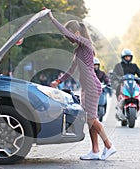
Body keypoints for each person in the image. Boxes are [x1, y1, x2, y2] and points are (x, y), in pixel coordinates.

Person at [48, 11, 116, 160]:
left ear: (77, 33)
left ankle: (109, 146)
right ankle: (95, 151)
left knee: (91, 118)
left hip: (92, 85)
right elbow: (71, 69)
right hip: (86, 87)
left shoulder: (86, 43)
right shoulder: (78, 50)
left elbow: (67, 32)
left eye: (69, 35)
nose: (68, 38)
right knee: (90, 119)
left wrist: (52, 18)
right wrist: (58, 81)